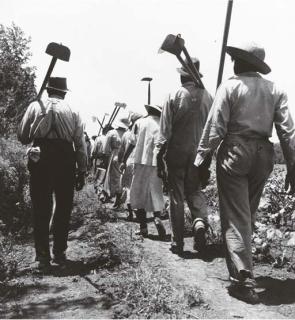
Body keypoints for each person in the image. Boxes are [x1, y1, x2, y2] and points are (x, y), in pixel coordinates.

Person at [194, 42, 295, 304]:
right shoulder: (275, 89)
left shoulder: (229, 86)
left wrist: (201, 162)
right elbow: (288, 132)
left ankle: (242, 278)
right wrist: (293, 166)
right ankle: (243, 264)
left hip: (235, 152)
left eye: (235, 58)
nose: (232, 63)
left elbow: (215, 128)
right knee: (247, 213)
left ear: (243, 62)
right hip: (263, 153)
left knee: (236, 216)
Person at [18, 77, 87, 270]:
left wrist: (36, 120)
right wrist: (82, 170)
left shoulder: (35, 105)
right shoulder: (73, 110)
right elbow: (80, 143)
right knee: (63, 207)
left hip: (41, 157)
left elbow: (22, 136)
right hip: (66, 159)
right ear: (64, 93)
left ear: (48, 91)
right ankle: (59, 253)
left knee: (41, 207)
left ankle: (42, 257)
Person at [156, 58, 213, 255]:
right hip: (199, 152)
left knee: (177, 197)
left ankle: (177, 242)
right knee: (195, 191)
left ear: (182, 75)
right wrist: (208, 157)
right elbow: (214, 130)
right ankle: (199, 222)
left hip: (177, 152)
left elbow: (164, 132)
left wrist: (159, 156)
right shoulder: (209, 97)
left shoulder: (173, 95)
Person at [121, 105, 166, 238]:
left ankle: (143, 227)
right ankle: (157, 217)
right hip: (156, 163)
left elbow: (132, 143)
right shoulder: (163, 124)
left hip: (140, 161)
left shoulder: (139, 123)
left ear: (149, 111)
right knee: (156, 192)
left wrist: (124, 159)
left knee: (137, 194)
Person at [118, 111, 143, 220]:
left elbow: (122, 150)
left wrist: (121, 162)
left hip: (129, 161)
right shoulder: (143, 131)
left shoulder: (127, 134)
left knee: (128, 187)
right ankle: (139, 212)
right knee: (138, 188)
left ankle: (130, 213)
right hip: (140, 162)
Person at [102, 117, 130, 206]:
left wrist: (106, 156)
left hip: (114, 155)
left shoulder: (111, 133)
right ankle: (119, 197)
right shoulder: (128, 133)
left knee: (114, 178)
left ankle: (116, 198)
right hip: (126, 156)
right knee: (122, 177)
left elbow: (105, 148)